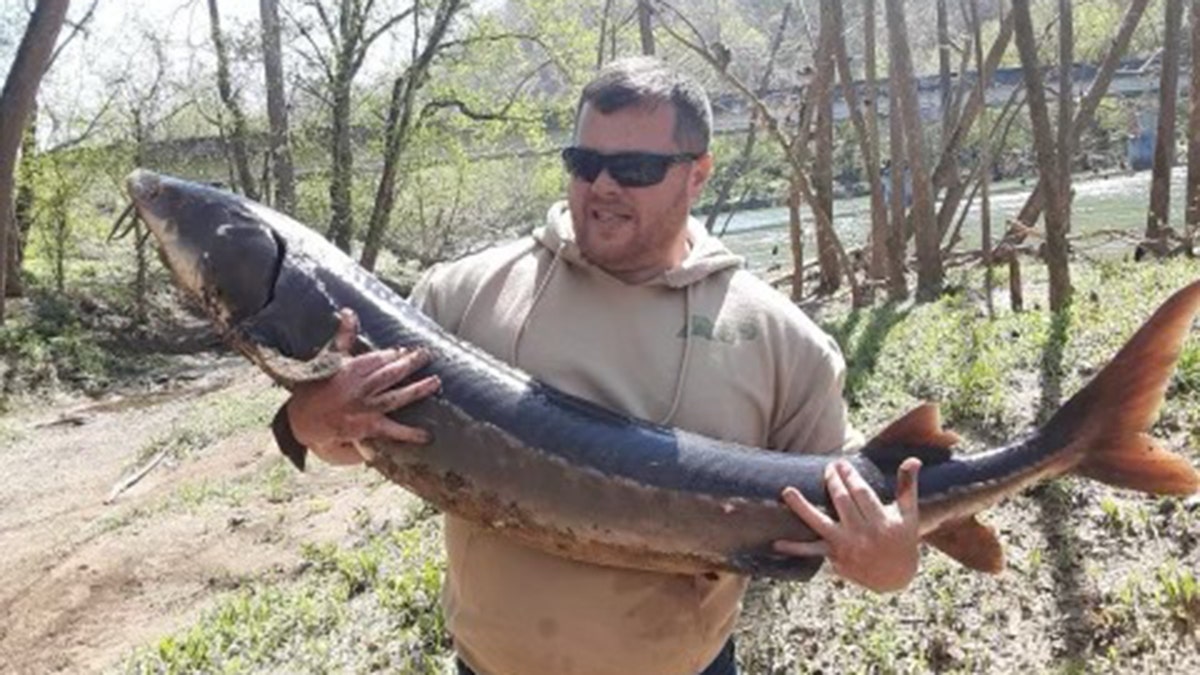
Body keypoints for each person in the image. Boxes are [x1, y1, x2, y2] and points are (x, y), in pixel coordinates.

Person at [274, 56, 922, 675]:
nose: (603, 185)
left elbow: (852, 521)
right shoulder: (461, 293)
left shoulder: (783, 340)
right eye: (585, 162)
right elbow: (365, 441)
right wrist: (308, 421)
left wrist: (891, 564)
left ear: (698, 174)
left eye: (635, 167)